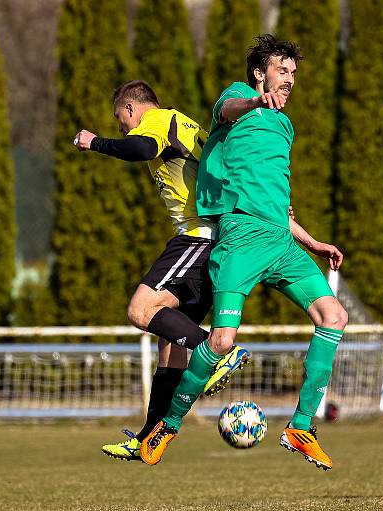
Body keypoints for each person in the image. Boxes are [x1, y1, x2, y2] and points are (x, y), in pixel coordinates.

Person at [140, 35, 348, 470]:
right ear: (260, 73)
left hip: (281, 242)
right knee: (221, 341)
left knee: (334, 317)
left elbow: (274, 196)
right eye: (281, 70)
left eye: (293, 72)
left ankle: (302, 427)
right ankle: (167, 426)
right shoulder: (237, 97)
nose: (289, 79)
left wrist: (311, 241)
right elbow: (229, 111)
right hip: (241, 239)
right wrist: (257, 102)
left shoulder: (286, 126)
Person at [72, 80, 250, 462]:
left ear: (132, 108)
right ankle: (149, 436)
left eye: (122, 120)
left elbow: (142, 147)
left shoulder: (159, 120)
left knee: (140, 310)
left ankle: (218, 350)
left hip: (198, 236)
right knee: (169, 344)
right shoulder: (185, 124)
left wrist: (96, 142)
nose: (123, 128)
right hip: (217, 239)